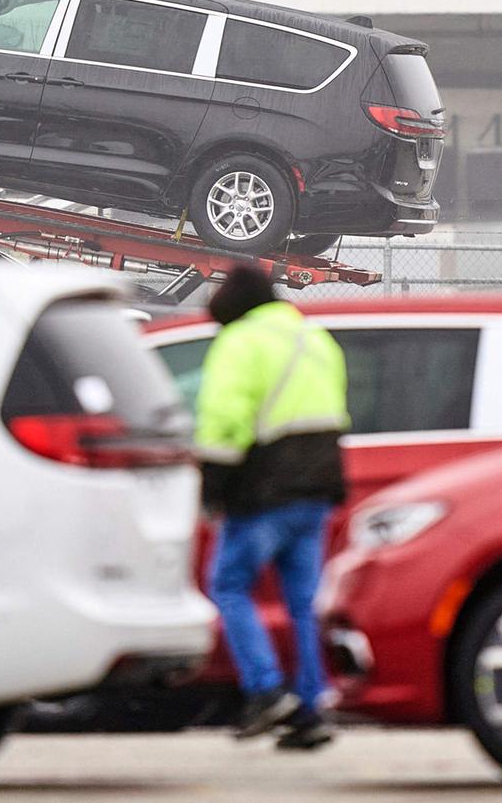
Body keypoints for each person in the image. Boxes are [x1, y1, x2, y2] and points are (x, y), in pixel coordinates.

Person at [195, 264, 350, 751]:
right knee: (304, 602)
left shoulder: (240, 341)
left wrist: (212, 485)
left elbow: (224, 419)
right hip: (317, 489)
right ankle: (309, 708)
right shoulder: (313, 337)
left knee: (228, 584)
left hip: (263, 490)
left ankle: (264, 690)